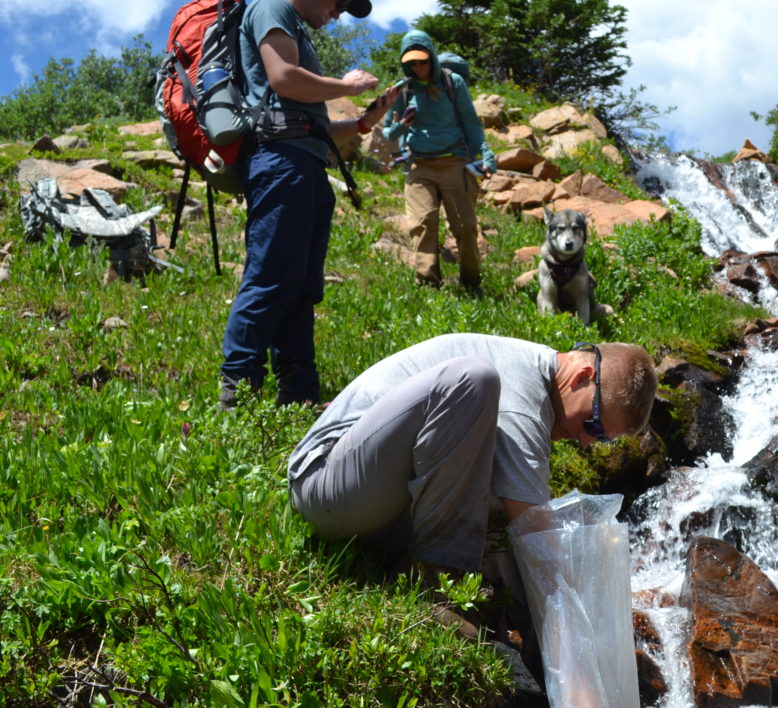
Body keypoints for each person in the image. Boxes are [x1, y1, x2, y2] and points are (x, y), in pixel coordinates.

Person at [286, 334, 656, 577]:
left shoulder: (538, 388)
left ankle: (426, 562)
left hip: (373, 499)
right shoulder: (524, 395)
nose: (587, 442)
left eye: (602, 439)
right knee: (472, 379)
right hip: (325, 483)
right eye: (593, 425)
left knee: (499, 508)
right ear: (581, 377)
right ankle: (436, 578)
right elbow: (538, 537)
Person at [219, 0, 403, 409]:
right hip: (281, 163)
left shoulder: (296, 27)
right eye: (340, 4)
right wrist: (346, 86)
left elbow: (306, 121)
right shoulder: (271, 7)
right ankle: (237, 393)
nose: (338, 15)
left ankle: (299, 394)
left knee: (301, 285)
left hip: (305, 161)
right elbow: (283, 79)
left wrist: (361, 123)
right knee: (270, 277)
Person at [381, 31, 498, 293]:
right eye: (411, 63)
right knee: (422, 224)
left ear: (432, 57)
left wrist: (486, 154)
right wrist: (402, 126)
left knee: (465, 226)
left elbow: (471, 123)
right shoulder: (402, 90)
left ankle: (471, 282)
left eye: (422, 61)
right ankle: (427, 285)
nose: (418, 67)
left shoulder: (452, 82)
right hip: (419, 165)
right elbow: (388, 133)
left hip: (454, 162)